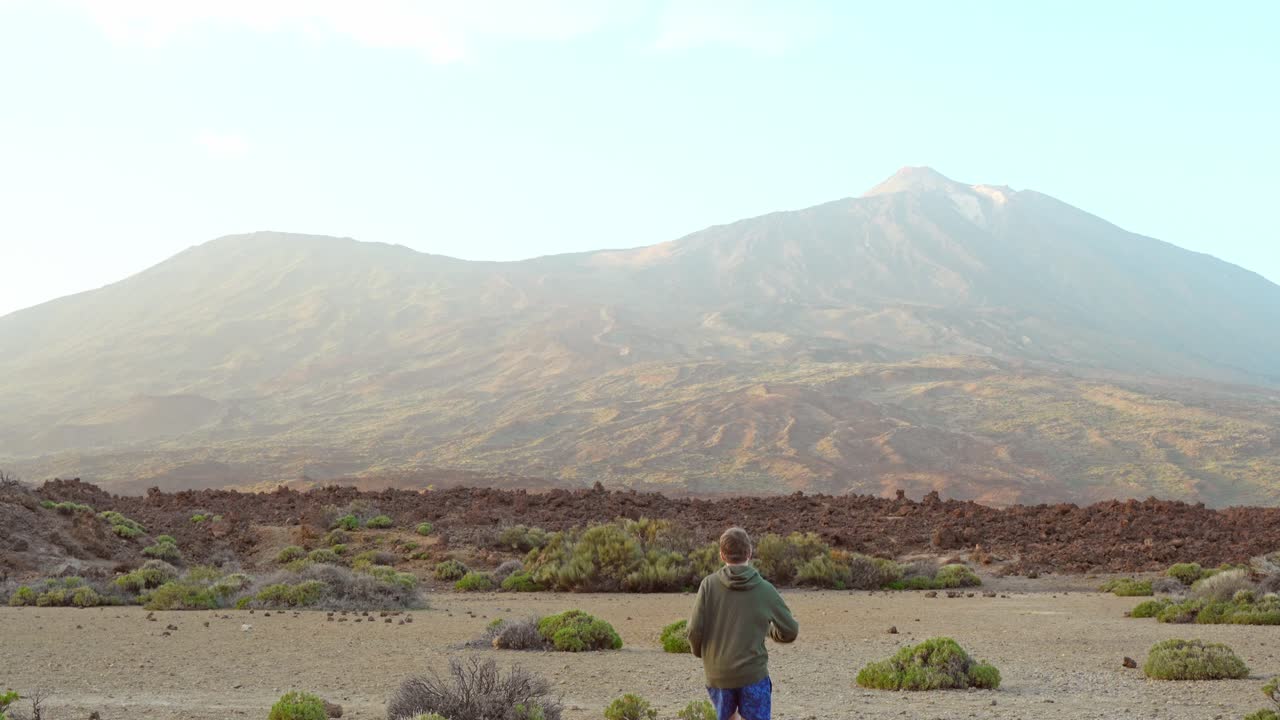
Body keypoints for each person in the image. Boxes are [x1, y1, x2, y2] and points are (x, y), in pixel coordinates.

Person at [687, 527, 799, 720]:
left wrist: (701, 653)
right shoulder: (765, 589)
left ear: (722, 555)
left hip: (718, 673)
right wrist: (770, 631)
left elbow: (694, 630)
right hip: (753, 674)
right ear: (749, 552)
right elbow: (790, 630)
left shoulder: (708, 585)